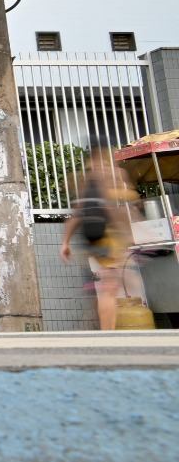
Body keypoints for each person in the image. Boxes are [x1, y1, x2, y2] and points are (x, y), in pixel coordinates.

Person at [61, 141, 145, 331]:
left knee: (107, 286)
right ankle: (107, 333)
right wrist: (128, 235)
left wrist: (65, 242)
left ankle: (101, 328)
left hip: (90, 236)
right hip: (109, 235)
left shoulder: (82, 177)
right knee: (109, 288)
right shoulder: (113, 174)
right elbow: (121, 208)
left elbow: (77, 212)